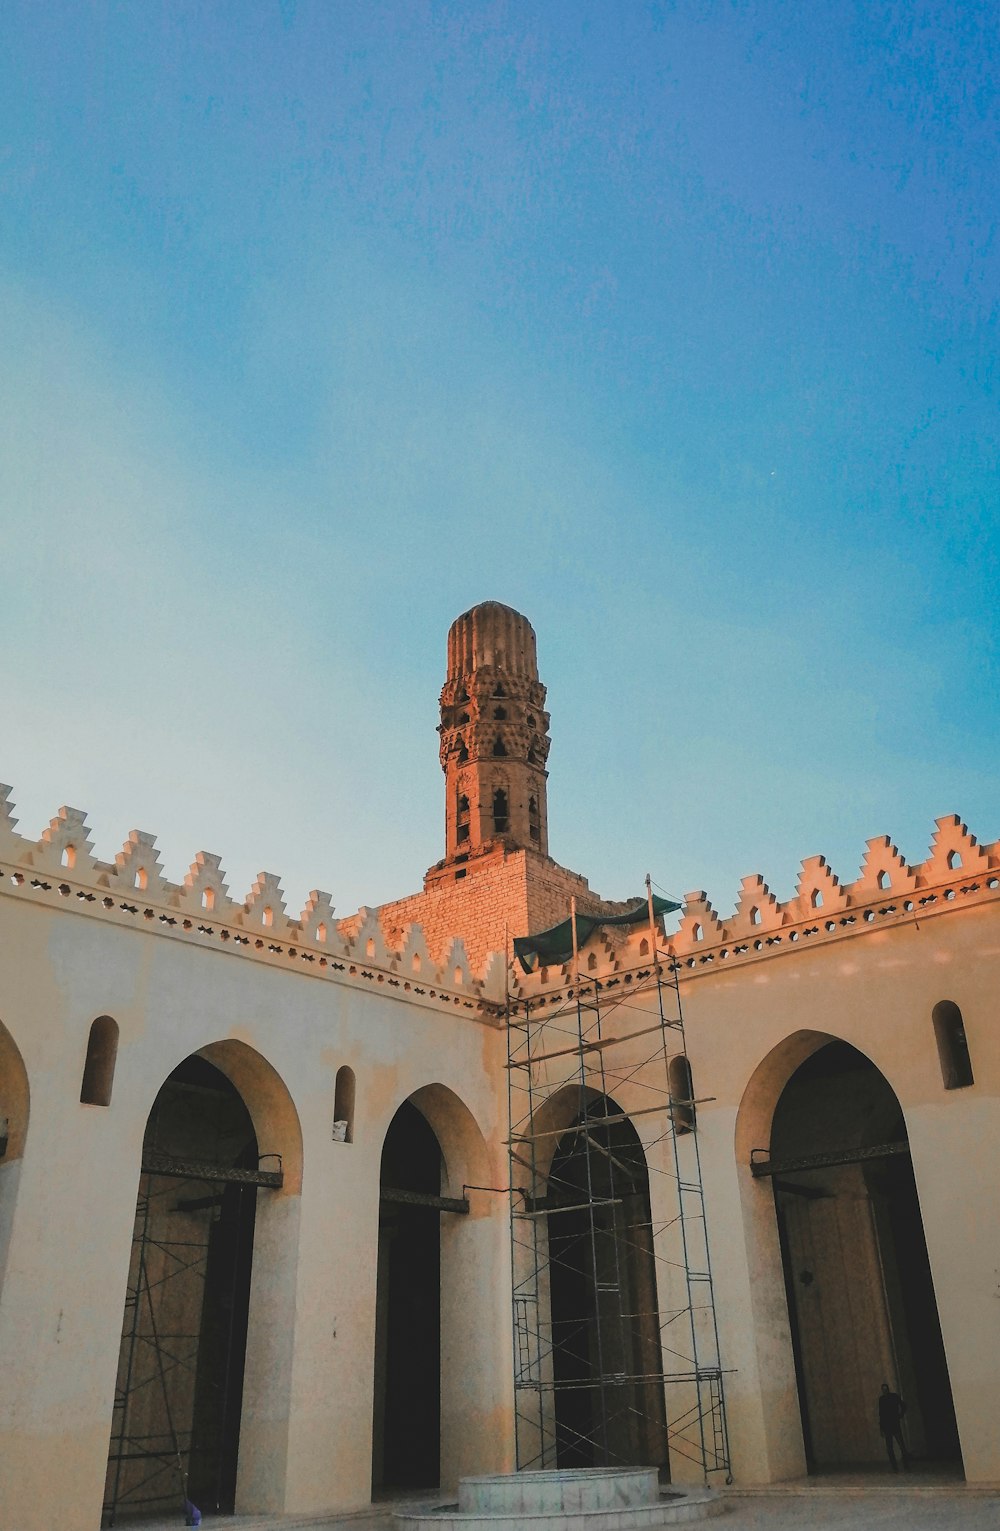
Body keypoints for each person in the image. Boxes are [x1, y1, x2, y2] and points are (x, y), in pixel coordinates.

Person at [878, 1382, 909, 1471]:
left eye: (885, 1389)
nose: (884, 1391)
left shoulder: (893, 1397)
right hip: (889, 1425)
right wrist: (881, 1427)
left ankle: (904, 1465)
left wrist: (900, 1415)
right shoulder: (882, 1399)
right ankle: (896, 1467)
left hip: (894, 1424)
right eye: (883, 1389)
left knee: (900, 1446)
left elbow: (903, 1405)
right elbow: (881, 1414)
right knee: (891, 1447)